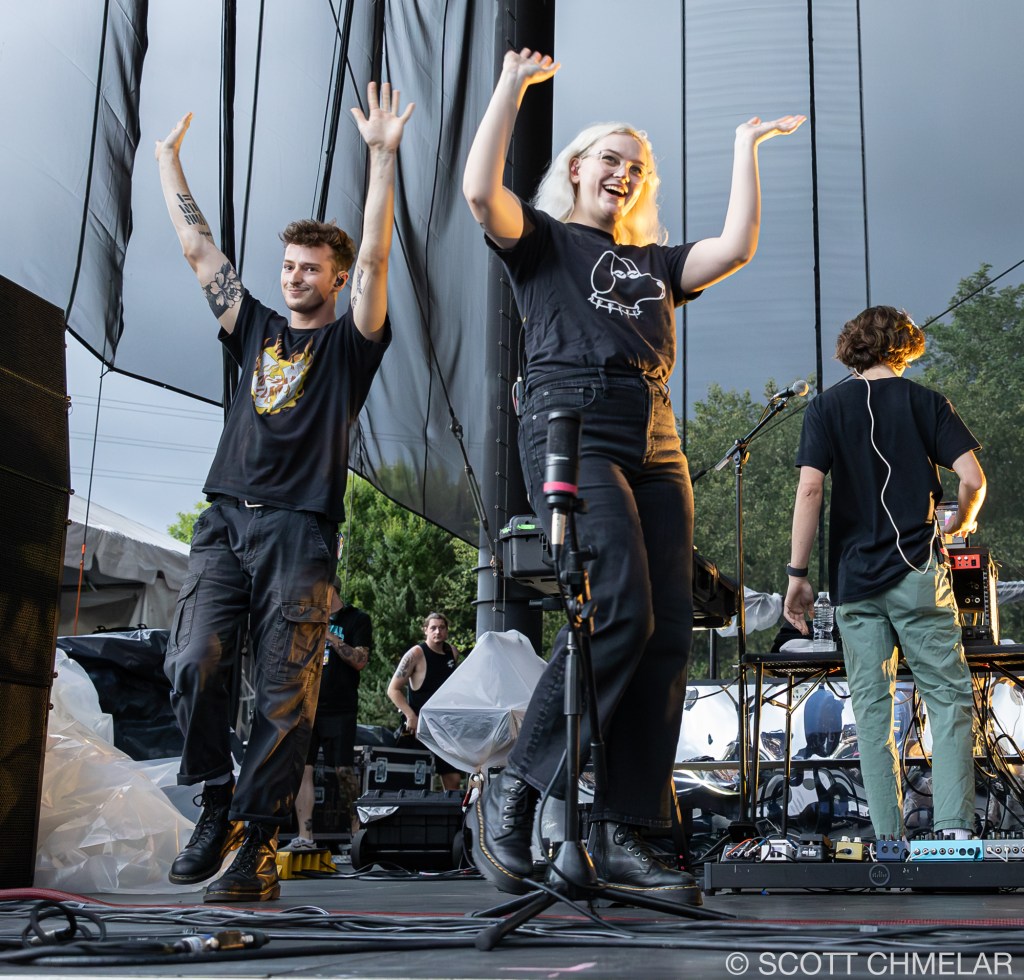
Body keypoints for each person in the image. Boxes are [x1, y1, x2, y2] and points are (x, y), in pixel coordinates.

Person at [462, 48, 804, 907]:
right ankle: (518, 788)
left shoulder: (651, 264)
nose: (625, 172)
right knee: (618, 606)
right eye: (611, 158)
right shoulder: (543, 242)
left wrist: (745, 147)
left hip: (655, 431)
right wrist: (510, 87)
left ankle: (624, 831)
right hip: (571, 414)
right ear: (577, 168)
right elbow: (478, 191)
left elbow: (735, 247)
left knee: (667, 633)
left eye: (637, 167)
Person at [155, 81, 413, 903]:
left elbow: (376, 260)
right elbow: (199, 252)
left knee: (283, 693)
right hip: (226, 521)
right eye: (290, 266)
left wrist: (382, 158)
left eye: (312, 269)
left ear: (334, 281)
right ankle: (216, 798)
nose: (297, 276)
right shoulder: (255, 328)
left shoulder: (349, 345)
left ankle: (259, 844)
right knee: (192, 658)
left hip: (300, 532)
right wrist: (168, 164)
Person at [783, 305, 985, 842]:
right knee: (947, 699)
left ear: (853, 346)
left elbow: (809, 490)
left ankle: (889, 841)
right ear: (904, 346)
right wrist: (963, 519)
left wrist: (797, 574)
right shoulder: (927, 402)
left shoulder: (825, 408)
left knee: (872, 711)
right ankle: (955, 833)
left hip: (854, 582)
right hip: (917, 571)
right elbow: (972, 478)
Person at [284, 577, 372, 850]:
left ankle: (356, 834)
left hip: (340, 707)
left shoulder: (356, 619)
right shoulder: (307, 619)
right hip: (307, 705)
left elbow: (360, 661)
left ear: (330, 590)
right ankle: (305, 836)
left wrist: (330, 637)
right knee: (304, 768)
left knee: (343, 770)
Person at [387, 612, 465, 791]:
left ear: (447, 631)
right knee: (415, 779)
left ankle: (449, 810)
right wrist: (410, 716)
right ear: (425, 630)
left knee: (453, 778)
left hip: (443, 726)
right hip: (418, 726)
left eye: (442, 628)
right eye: (433, 628)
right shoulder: (415, 654)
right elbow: (393, 690)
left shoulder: (452, 652)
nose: (438, 632)